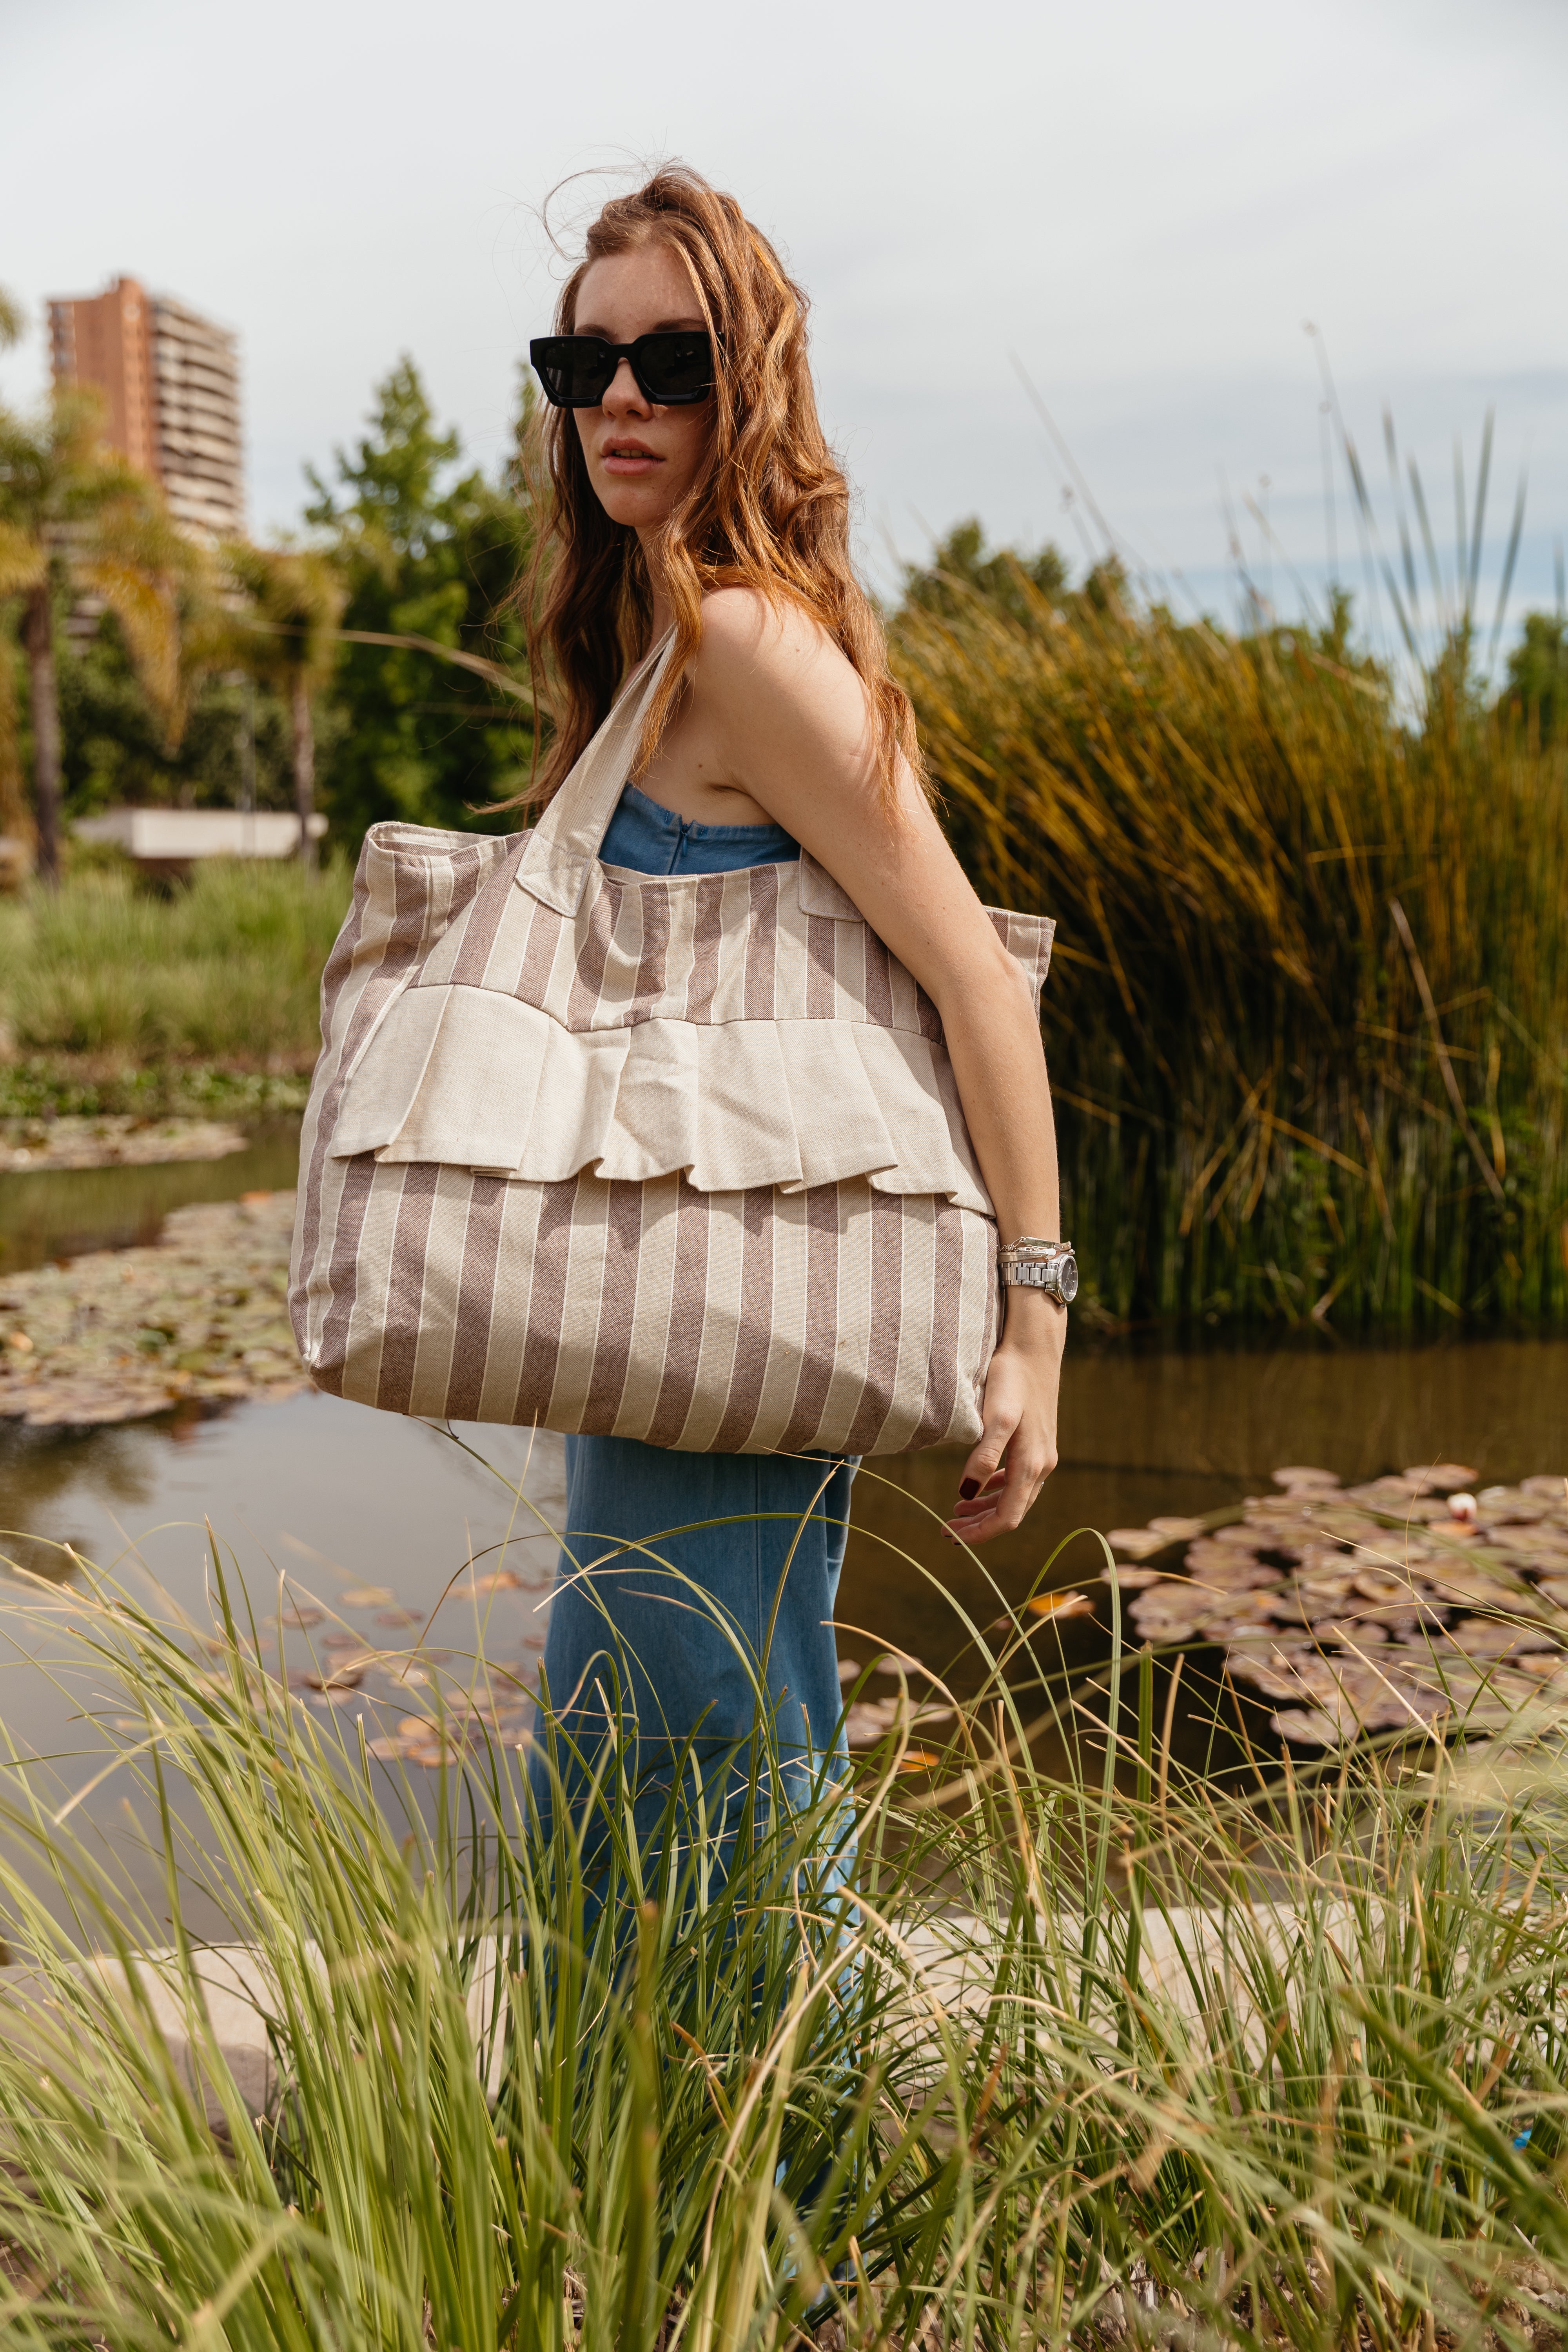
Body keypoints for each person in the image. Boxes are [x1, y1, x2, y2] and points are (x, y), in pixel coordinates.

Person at [511, 166, 1066, 1875]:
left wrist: (1035, 1326)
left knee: (689, 1761)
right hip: (680, 1295)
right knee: (691, 1735)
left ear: (745, 386)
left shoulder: (743, 638)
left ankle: (740, 2058)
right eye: (583, 363)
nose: (619, 399)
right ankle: (746, 2059)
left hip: (720, 1305)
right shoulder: (658, 633)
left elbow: (977, 975)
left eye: (670, 363)